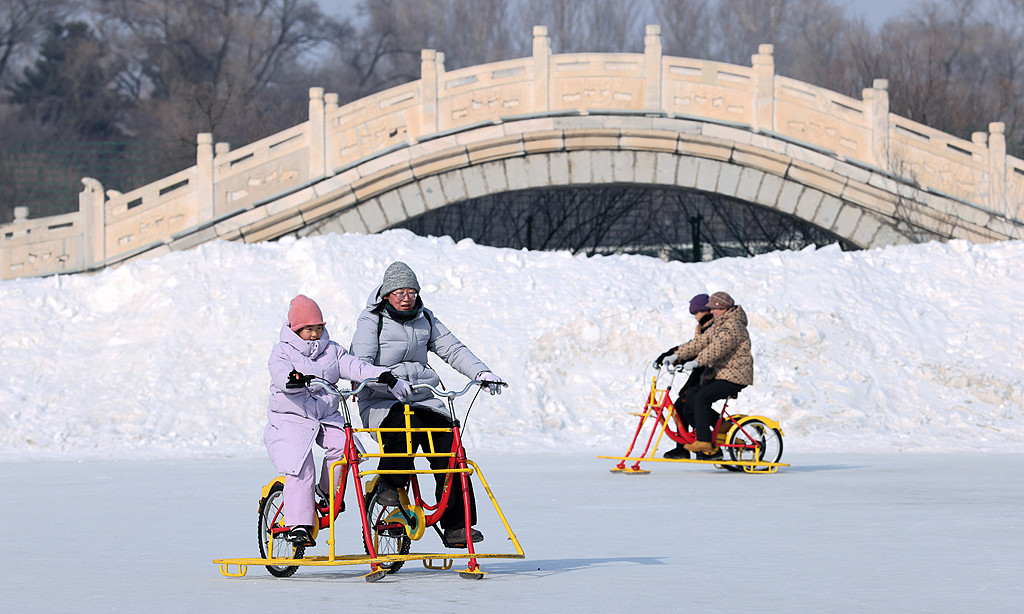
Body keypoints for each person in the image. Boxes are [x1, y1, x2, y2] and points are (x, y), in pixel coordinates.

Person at [350, 261, 505, 548]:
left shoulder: (426, 318)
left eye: (411, 291)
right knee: (406, 428)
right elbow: (359, 362)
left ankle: (457, 526)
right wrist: (385, 380)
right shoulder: (372, 320)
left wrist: (481, 372)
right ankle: (389, 485)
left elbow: (453, 349)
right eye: (399, 292)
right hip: (382, 399)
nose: (406, 297)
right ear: (386, 295)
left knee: (451, 448)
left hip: (422, 396)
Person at [264, 294, 412, 547]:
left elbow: (355, 366)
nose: (314, 334)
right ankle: (298, 525)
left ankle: (325, 491)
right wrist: (293, 379)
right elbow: (279, 373)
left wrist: (383, 375)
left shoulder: (332, 350)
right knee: (301, 466)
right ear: (296, 329)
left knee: (346, 448)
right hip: (291, 417)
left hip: (325, 414)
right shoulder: (283, 351)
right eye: (308, 329)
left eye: (318, 328)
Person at [670, 291, 753, 459]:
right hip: (722, 374)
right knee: (692, 397)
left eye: (714, 309)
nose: (711, 312)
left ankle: (705, 442)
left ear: (722, 308)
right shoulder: (719, 324)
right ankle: (718, 429)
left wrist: (697, 361)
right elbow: (700, 342)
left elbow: (718, 348)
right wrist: (677, 355)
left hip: (736, 375)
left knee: (701, 397)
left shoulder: (733, 325)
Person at [652, 293, 714, 459]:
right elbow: (692, 346)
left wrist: (678, 356)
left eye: (696, 313)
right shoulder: (703, 327)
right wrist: (672, 354)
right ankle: (682, 447)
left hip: (711, 374)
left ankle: (709, 447)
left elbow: (701, 350)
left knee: (690, 407)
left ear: (706, 310)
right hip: (700, 373)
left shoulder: (714, 327)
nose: (695, 317)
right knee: (679, 407)